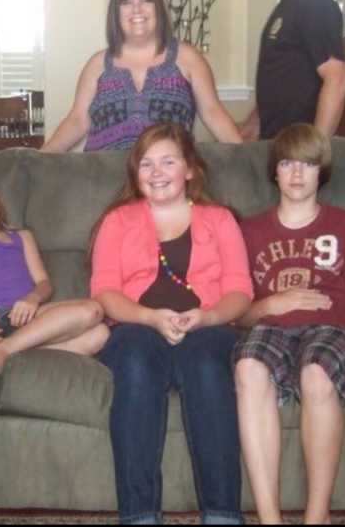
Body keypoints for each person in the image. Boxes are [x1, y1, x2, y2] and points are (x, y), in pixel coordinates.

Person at [90, 123, 253, 525]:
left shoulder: (220, 220)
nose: (156, 171)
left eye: (168, 161)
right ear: (135, 172)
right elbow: (105, 292)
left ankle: (221, 515)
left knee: (205, 365)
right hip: (136, 326)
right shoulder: (117, 221)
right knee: (136, 362)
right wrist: (149, 317)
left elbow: (240, 290)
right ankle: (140, 515)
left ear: (190, 169)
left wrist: (208, 317)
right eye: (146, 163)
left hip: (208, 327)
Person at [232, 123, 345, 525]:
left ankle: (317, 517)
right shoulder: (249, 231)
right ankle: (270, 519)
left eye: (308, 164)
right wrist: (274, 303)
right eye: (287, 163)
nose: (297, 174)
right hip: (269, 328)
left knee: (316, 375)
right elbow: (238, 313)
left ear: (322, 171)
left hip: (326, 327)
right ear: (274, 172)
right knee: (247, 367)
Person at [0, 163, 110, 372]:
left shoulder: (23, 237)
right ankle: (3, 350)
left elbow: (44, 284)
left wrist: (32, 298)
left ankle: (6, 352)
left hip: (28, 315)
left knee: (101, 333)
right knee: (91, 310)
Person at [42, 0, 243, 152]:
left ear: (158, 8)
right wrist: (39, 159)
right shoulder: (97, 65)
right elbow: (77, 120)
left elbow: (212, 111)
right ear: (116, 12)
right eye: (126, 1)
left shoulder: (188, 58)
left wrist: (247, 158)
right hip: (104, 180)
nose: (136, 9)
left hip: (166, 181)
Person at [239, 0, 345, 142]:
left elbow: (337, 80)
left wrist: (315, 151)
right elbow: (279, 81)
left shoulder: (315, 6)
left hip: (297, 152)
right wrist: (247, 132)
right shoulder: (286, 6)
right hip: (276, 146)